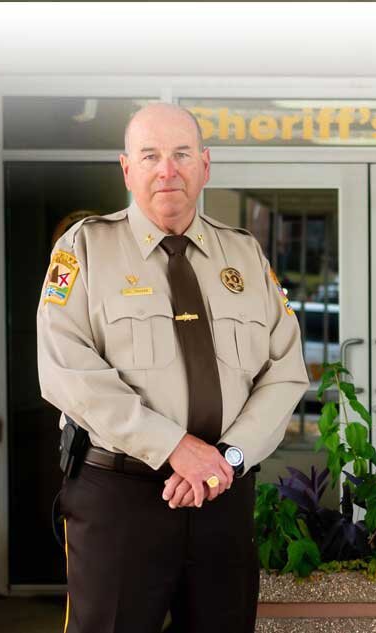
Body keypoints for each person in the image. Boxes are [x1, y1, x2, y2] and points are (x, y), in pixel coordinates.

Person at [37, 102, 308, 633]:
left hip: (222, 498)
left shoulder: (245, 257)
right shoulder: (86, 249)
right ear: (127, 168)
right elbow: (65, 368)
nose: (168, 169)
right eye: (151, 155)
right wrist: (175, 448)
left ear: (205, 165)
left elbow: (286, 371)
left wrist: (224, 460)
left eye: (182, 154)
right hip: (121, 499)